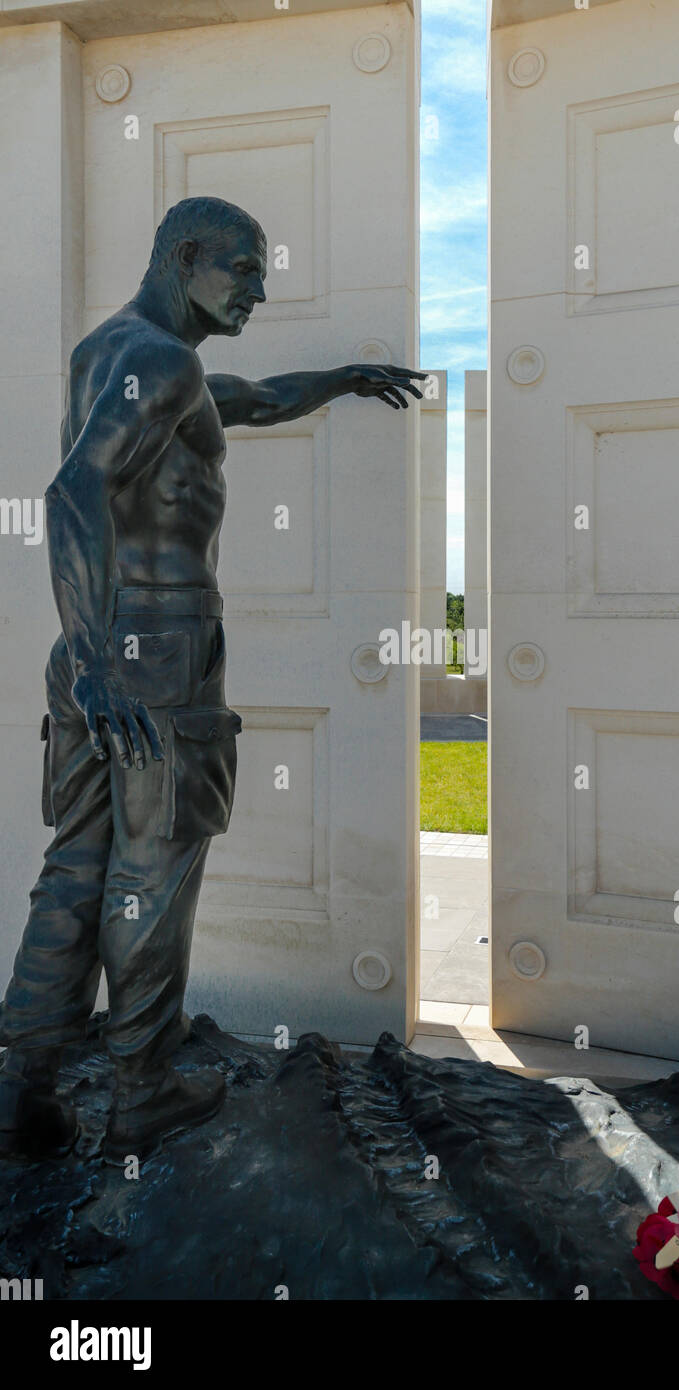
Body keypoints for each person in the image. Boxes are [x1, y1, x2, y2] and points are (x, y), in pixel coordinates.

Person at [0, 195, 425, 1164]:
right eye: (243, 268)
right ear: (183, 256)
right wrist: (109, 661)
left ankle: (21, 1094)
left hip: (93, 660)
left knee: (75, 865)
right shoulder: (160, 361)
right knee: (152, 871)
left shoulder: (116, 354)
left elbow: (255, 398)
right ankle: (143, 1090)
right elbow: (72, 494)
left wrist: (345, 378)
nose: (259, 290)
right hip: (151, 658)